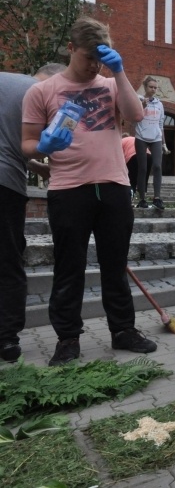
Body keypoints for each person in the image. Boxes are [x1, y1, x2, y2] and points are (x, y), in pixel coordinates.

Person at [21, 16, 157, 366]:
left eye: (100, 58)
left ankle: (123, 331)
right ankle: (68, 339)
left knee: (115, 264)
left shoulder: (110, 85)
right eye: (88, 58)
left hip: (112, 185)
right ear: (70, 49)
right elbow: (27, 144)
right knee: (69, 267)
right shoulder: (42, 91)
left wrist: (120, 73)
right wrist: (43, 145)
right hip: (68, 189)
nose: (93, 65)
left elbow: (136, 114)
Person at [0, 63, 65, 363]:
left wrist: (36, 167)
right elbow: (45, 145)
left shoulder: (7, 81)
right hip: (4, 184)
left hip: (8, 169)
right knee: (8, 259)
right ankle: (6, 340)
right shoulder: (42, 93)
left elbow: (10, 142)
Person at [134, 76, 165, 210]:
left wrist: (164, 143)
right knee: (143, 168)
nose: (153, 89)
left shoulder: (159, 104)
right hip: (141, 136)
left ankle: (157, 198)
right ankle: (142, 199)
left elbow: (161, 123)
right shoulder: (138, 99)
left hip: (156, 138)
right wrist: (142, 106)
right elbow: (133, 117)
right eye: (151, 87)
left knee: (157, 166)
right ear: (145, 87)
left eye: (155, 87)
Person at [121, 133, 151, 202]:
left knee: (132, 180)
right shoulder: (135, 139)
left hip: (133, 156)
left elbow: (119, 157)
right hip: (148, 156)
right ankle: (143, 198)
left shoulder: (121, 141)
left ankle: (132, 194)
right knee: (144, 178)